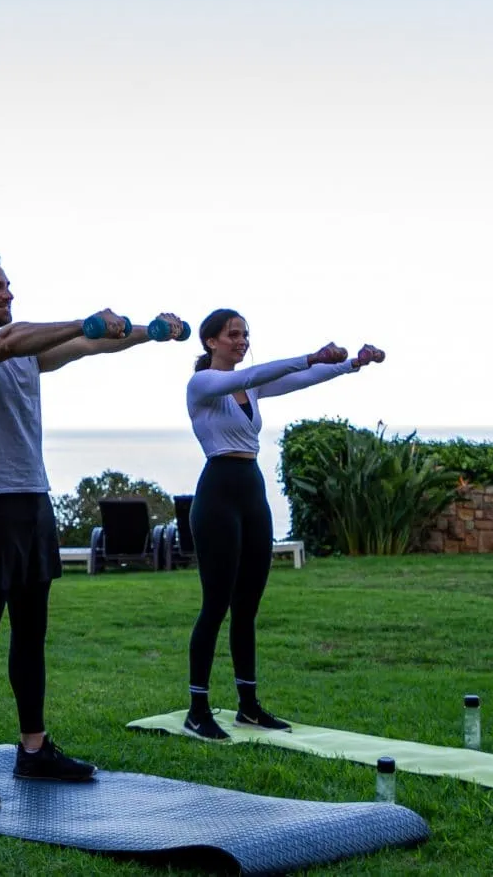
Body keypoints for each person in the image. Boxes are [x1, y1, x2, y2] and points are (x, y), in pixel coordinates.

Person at [0, 251, 186, 808]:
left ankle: (33, 750)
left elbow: (93, 344)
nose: (7, 294)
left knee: (31, 632)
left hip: (32, 501)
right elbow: (6, 343)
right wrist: (82, 320)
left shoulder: (26, 355)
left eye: (9, 286)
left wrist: (149, 332)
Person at [181, 308, 384, 742]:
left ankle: (248, 707)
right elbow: (258, 375)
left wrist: (351, 365)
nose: (241, 340)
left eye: (245, 335)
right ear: (210, 341)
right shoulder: (203, 385)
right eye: (233, 335)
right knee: (215, 606)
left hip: (252, 494)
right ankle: (197, 709)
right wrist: (310, 355)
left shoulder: (250, 389)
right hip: (217, 494)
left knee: (248, 608)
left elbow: (298, 380)